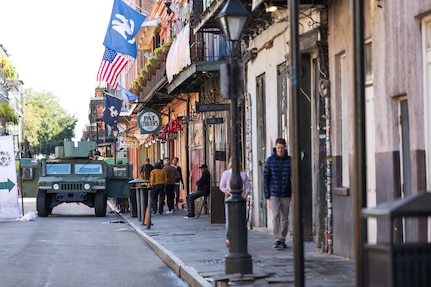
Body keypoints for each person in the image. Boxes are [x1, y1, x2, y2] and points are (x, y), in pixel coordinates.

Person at [263, 138, 292, 249]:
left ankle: (282, 238)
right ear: (275, 147)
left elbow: (294, 177)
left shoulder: (289, 160)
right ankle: (277, 238)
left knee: (285, 218)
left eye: (282, 148)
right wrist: (267, 195)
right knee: (275, 216)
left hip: (286, 192)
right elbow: (266, 177)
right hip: (274, 192)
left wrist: (293, 191)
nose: (280, 150)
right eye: (278, 148)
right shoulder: (270, 160)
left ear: (285, 148)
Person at [219, 159, 251, 248]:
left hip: (240, 198)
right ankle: (228, 238)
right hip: (229, 197)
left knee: (240, 219)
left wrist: (245, 195)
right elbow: (222, 186)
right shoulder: (226, 174)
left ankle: (238, 238)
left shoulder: (243, 174)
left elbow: (248, 187)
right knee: (229, 219)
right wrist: (228, 192)